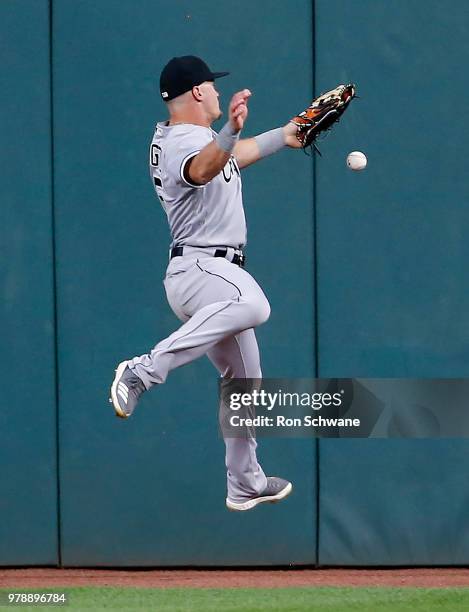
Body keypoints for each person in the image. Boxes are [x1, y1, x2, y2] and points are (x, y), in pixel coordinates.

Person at [110, 55, 302, 511]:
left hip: (210, 271)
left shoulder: (196, 138)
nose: (216, 91)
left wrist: (284, 135)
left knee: (244, 378)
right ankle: (143, 370)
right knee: (255, 304)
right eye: (211, 85)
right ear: (196, 92)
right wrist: (231, 130)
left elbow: (228, 158)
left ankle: (245, 483)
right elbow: (201, 168)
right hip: (201, 269)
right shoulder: (183, 141)